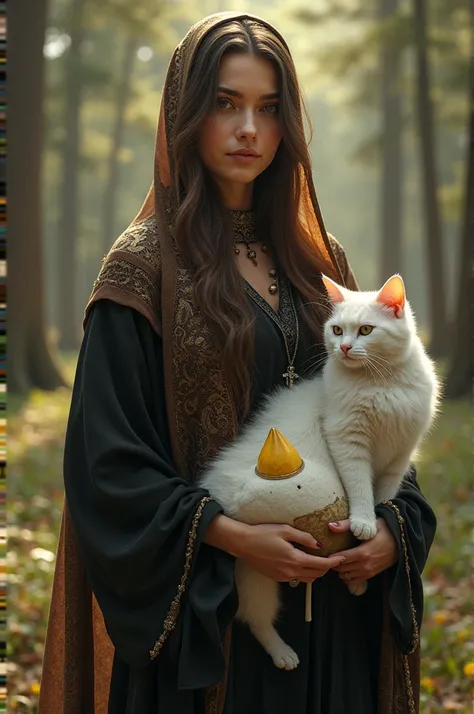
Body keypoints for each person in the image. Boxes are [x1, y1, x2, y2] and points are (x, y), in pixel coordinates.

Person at [39, 12, 436, 714]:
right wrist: (234, 535)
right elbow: (107, 462)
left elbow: (382, 411)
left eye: (268, 107)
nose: (249, 128)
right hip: (210, 619)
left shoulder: (322, 264)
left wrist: (394, 534)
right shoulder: (140, 273)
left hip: (332, 627)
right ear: (185, 114)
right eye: (225, 104)